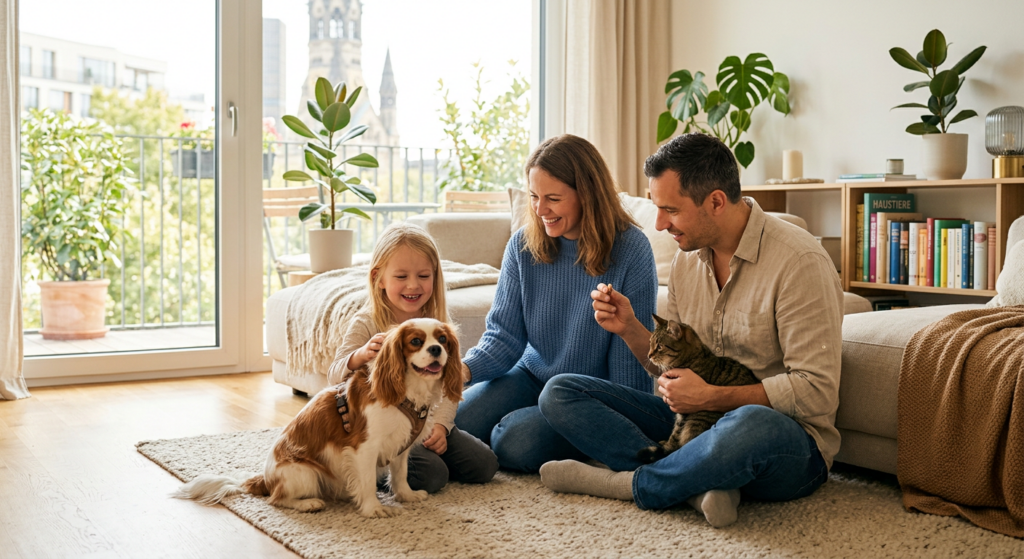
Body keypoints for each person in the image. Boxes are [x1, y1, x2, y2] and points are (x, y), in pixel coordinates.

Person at [537, 133, 843, 528]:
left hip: (783, 440)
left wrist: (713, 397)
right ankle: (697, 483)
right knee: (561, 391)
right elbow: (674, 368)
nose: (659, 224)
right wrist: (629, 328)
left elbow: (815, 392)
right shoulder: (687, 261)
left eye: (670, 210)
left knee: (749, 423)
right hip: (694, 422)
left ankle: (629, 483)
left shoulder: (799, 262)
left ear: (715, 201)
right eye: (657, 209)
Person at [454, 134, 659, 472]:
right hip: (532, 374)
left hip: (586, 394)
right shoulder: (522, 246)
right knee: (459, 422)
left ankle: (574, 435)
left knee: (511, 442)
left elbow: (628, 361)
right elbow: (503, 336)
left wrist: (617, 421)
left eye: (552, 198)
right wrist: (461, 370)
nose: (539, 210)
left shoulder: (631, 249)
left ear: (587, 196)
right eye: (534, 196)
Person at [327, 222, 498, 493]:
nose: (413, 285)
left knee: (484, 465)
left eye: (423, 275)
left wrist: (441, 426)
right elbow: (333, 376)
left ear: (435, 277)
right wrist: (359, 356)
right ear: (378, 278)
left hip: (426, 421)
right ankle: (370, 470)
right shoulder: (366, 322)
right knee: (433, 475)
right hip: (385, 429)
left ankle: (426, 456)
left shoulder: (438, 326)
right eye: (401, 276)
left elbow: (449, 385)